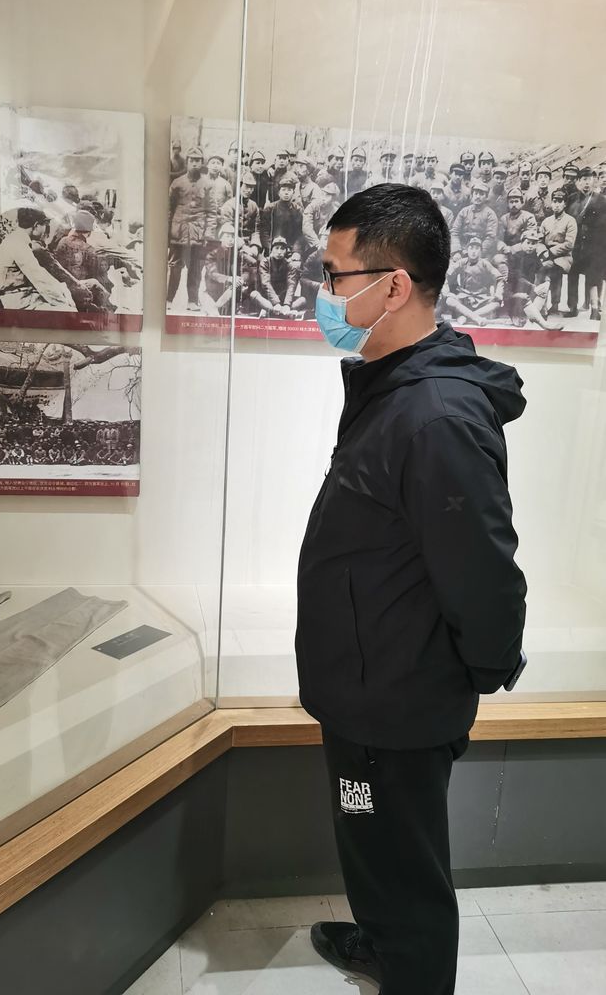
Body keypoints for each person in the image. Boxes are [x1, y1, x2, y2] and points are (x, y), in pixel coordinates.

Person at [299, 182, 527, 995]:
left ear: (392, 286)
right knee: (369, 834)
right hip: (367, 692)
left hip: (395, 706)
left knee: (401, 856)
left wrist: (479, 670)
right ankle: (383, 940)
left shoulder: (435, 417)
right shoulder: (391, 388)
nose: (325, 293)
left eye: (335, 275)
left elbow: (483, 568)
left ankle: (413, 970)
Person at [0, 207, 77, 310]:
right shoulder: (17, 244)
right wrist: (63, 301)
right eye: (45, 225)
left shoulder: (16, 239)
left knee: (65, 296)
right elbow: (38, 277)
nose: (45, 229)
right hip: (17, 301)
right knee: (68, 310)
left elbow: (42, 276)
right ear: (36, 226)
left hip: (23, 296)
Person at [166, 146, 216, 312]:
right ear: (187, 162)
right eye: (192, 160)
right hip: (178, 230)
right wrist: (167, 232)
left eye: (198, 161)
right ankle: (168, 299)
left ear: (202, 163)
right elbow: (168, 209)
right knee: (174, 266)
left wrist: (208, 234)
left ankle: (192, 301)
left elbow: (211, 212)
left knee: (195, 267)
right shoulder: (177, 183)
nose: (195, 164)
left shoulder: (207, 184)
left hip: (198, 232)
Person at [565, 166, 606, 320]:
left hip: (594, 246)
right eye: (584, 179)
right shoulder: (571, 199)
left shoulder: (601, 200)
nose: (587, 183)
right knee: (572, 275)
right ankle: (572, 307)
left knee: (593, 276)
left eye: (589, 179)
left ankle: (594, 309)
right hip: (575, 245)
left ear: (593, 181)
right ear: (578, 181)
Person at [445, 235, 503, 326]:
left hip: (481, 298)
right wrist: (447, 291)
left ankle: (466, 317)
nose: (473, 251)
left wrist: (499, 293)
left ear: (480, 251)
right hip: (464, 297)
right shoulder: (461, 262)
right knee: (449, 300)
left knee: (496, 304)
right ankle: (477, 318)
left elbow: (499, 278)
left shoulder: (485, 263)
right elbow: (446, 276)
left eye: (477, 248)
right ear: (467, 250)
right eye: (471, 248)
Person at [539, 189, 577, 313]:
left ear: (565, 204)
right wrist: (543, 252)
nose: (556, 204)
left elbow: (569, 244)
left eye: (560, 201)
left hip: (563, 257)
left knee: (553, 269)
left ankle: (554, 304)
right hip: (546, 254)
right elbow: (539, 241)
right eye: (554, 201)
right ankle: (540, 303)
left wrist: (551, 252)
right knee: (538, 268)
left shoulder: (570, 221)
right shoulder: (546, 221)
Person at [451, 182, 499, 259]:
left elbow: (491, 237)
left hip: (481, 250)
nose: (478, 196)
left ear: (486, 197)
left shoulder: (490, 214)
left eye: (481, 194)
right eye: (476, 193)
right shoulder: (464, 211)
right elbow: (455, 232)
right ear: (472, 195)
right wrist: (457, 251)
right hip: (463, 248)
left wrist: (479, 252)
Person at [259, 174, 303, 252]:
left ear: (293, 192)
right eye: (283, 190)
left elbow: (300, 234)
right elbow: (264, 232)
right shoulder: (270, 208)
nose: (286, 193)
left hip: (290, 249)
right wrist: (270, 248)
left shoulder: (297, 210)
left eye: (289, 190)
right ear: (279, 192)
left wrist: (295, 251)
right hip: (273, 248)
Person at [259, 236, 300, 317]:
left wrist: (287, 304)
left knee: (303, 300)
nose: (279, 252)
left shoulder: (290, 265)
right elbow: (265, 283)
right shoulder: (265, 262)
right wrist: (276, 303)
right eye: (276, 248)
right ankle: (284, 312)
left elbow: (291, 285)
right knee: (254, 295)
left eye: (282, 249)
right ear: (272, 249)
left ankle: (271, 311)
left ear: (286, 251)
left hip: (283, 299)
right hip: (268, 298)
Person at [219, 171, 261, 247]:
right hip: (233, 244)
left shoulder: (253, 206)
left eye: (251, 188)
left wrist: (255, 246)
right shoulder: (229, 205)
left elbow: (256, 230)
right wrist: (243, 246)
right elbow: (227, 230)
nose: (249, 190)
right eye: (246, 187)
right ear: (240, 186)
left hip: (249, 244)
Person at [302, 181, 340, 253]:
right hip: (307, 241)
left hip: (325, 242)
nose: (323, 198)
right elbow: (307, 228)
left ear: (333, 199)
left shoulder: (335, 211)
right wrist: (317, 244)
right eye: (323, 194)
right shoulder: (312, 206)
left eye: (327, 196)